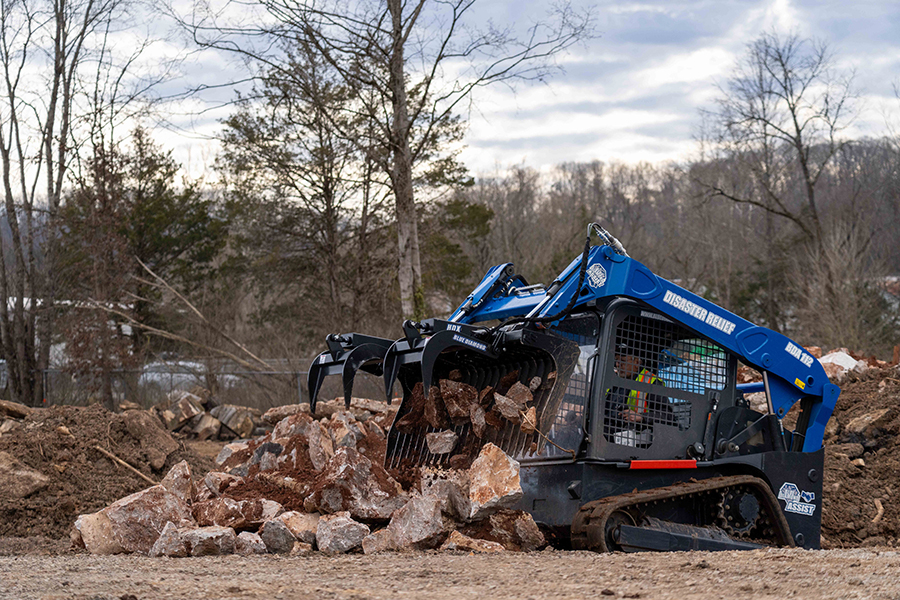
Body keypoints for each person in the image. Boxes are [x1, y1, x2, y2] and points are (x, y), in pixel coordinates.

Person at [605, 343, 667, 447]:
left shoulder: (651, 382)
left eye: (623, 361)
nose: (618, 365)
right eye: (617, 361)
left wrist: (641, 417)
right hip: (607, 440)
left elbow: (667, 416)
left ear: (637, 362)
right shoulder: (613, 383)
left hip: (638, 445)